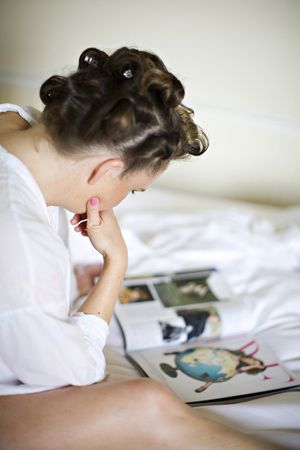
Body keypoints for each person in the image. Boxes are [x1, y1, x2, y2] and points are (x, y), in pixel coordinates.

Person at [0, 47, 275, 450]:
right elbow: (75, 373)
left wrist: (58, 279)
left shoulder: (17, 121)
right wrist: (116, 263)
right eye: (132, 188)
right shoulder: (18, 242)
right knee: (147, 405)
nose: (125, 198)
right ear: (107, 170)